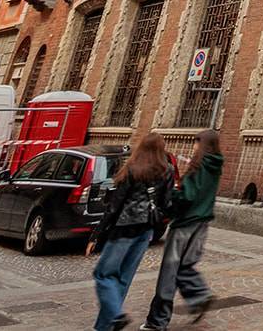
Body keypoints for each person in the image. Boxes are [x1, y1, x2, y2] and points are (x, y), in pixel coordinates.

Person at [89, 133, 175, 331]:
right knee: (123, 279)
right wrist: (155, 218)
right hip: (146, 231)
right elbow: (167, 204)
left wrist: (97, 234)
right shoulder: (168, 170)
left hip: (124, 229)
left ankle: (116, 315)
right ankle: (104, 326)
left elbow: (114, 206)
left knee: (103, 274)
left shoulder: (132, 168)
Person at [143, 129, 223, 328]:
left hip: (185, 224)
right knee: (185, 266)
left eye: (197, 142)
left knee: (169, 272)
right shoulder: (215, 165)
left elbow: (188, 196)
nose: (194, 146)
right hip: (202, 224)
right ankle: (200, 295)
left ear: (203, 145)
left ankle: (157, 321)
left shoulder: (200, 166)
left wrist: (173, 195)